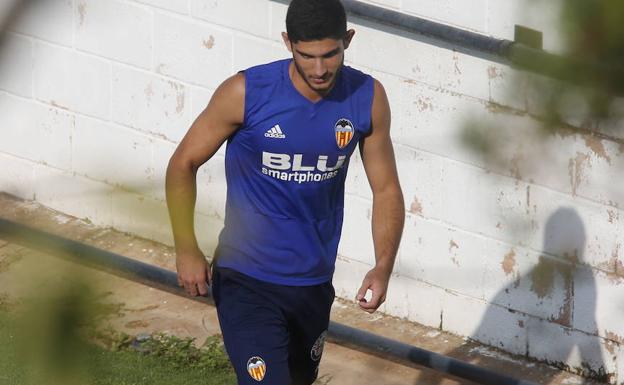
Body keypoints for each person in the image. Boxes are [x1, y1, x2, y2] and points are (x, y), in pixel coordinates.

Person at [165, 0, 404, 383]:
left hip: (312, 282)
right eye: (306, 56)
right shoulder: (245, 92)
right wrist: (185, 247)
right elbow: (182, 164)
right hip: (247, 277)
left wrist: (382, 266)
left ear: (348, 40)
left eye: (330, 54)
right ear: (286, 42)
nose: (320, 69)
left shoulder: (367, 97)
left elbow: (387, 189)